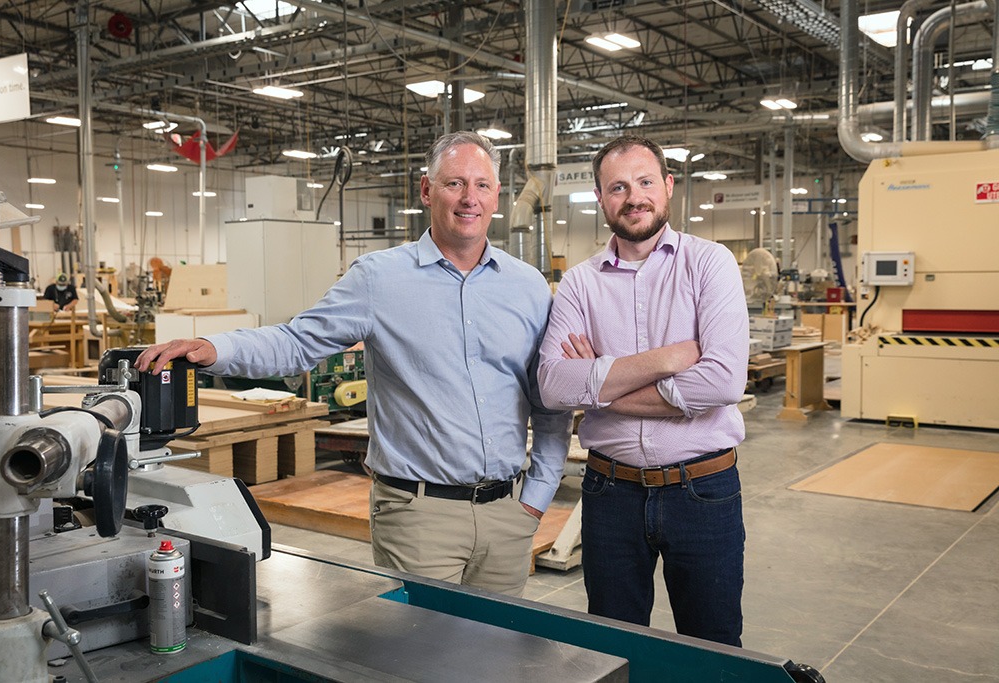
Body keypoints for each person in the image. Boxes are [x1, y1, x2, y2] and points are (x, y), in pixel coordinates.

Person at [136, 131, 572, 597]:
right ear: (426, 190)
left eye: (482, 185)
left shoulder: (527, 287)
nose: (470, 199)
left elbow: (549, 396)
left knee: (501, 657)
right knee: (420, 660)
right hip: (419, 518)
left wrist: (537, 496)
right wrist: (215, 348)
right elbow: (297, 342)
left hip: (508, 516)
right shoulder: (378, 279)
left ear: (497, 196)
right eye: (455, 184)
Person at [537, 135, 750, 646]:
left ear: (668, 186)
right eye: (618, 187)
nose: (634, 196)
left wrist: (601, 388)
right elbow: (551, 384)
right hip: (611, 494)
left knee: (713, 647)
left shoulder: (710, 263)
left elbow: (723, 379)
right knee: (612, 648)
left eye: (645, 181)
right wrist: (668, 360)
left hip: (703, 491)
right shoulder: (580, 284)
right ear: (600, 198)